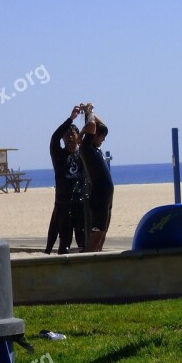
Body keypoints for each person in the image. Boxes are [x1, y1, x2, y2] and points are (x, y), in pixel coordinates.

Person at [45, 105, 86, 254]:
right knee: (65, 240)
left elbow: (91, 136)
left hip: (81, 203)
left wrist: (88, 114)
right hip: (64, 204)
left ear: (78, 136)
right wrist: (71, 119)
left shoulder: (83, 154)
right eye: (66, 134)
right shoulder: (58, 155)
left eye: (73, 133)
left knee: (83, 239)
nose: (69, 136)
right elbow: (54, 138)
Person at [78, 103, 113, 252]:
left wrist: (90, 111)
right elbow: (92, 124)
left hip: (106, 196)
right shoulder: (86, 147)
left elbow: (99, 125)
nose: (103, 140)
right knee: (97, 233)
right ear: (95, 136)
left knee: (103, 231)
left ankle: (97, 256)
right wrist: (88, 111)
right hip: (98, 196)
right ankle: (88, 257)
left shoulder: (94, 147)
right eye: (102, 137)